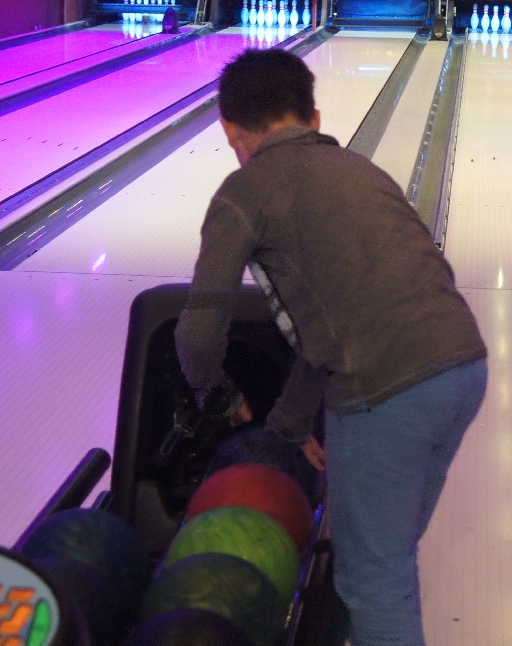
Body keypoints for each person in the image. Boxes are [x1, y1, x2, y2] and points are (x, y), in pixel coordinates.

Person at [175, 48, 488, 646]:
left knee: (374, 578)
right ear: (314, 119)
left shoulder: (244, 190)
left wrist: (214, 394)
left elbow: (198, 330)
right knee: (380, 560)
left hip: (387, 388)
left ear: (230, 132)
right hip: (462, 367)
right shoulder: (363, 171)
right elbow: (334, 325)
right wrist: (291, 424)